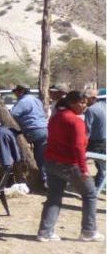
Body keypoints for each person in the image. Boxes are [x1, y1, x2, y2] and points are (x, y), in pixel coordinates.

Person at [38, 91, 103, 242]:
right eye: (82, 103)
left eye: (85, 103)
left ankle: (45, 232)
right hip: (70, 164)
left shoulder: (56, 117)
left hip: (52, 162)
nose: (84, 106)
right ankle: (89, 231)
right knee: (90, 194)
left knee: (53, 197)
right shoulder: (75, 121)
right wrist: (84, 168)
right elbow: (78, 147)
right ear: (72, 103)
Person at [10, 84, 48, 181]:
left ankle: (22, 172)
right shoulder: (36, 100)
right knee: (41, 157)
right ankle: (44, 179)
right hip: (44, 129)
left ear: (21, 91)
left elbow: (13, 114)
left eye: (16, 92)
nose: (15, 94)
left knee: (15, 147)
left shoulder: (23, 101)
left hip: (32, 130)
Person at [84, 89, 106, 193]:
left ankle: (97, 188)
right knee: (102, 166)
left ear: (93, 99)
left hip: (96, 142)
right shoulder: (104, 107)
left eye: (86, 98)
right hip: (104, 140)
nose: (85, 101)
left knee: (101, 167)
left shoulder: (91, 110)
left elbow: (87, 129)